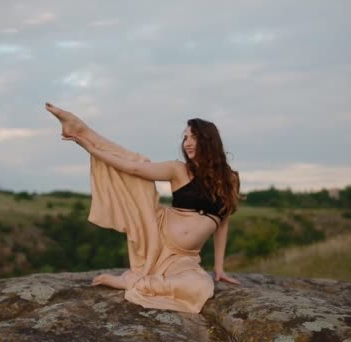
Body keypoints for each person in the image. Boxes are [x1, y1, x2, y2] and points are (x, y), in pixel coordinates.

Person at [45, 102, 241, 313]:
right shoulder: (178, 170)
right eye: (185, 138)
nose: (188, 143)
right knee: (137, 163)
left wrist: (219, 268)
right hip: (154, 237)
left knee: (200, 286)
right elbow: (135, 168)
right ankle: (79, 128)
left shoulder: (230, 179)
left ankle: (135, 282)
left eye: (193, 137)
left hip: (182, 257)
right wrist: (91, 150)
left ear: (209, 140)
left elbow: (222, 224)